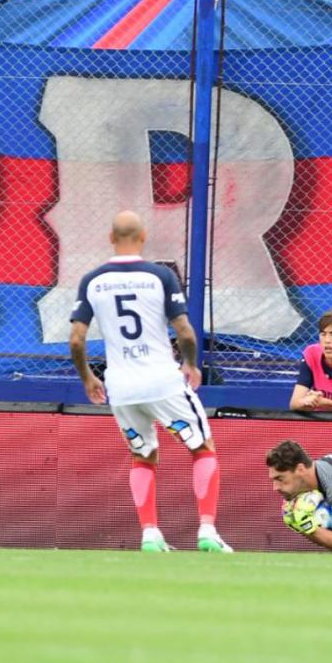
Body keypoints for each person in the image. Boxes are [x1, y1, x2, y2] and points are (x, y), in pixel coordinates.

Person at [69, 210, 232, 553]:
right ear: (143, 237)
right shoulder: (160, 276)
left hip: (122, 388)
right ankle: (206, 530)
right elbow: (184, 329)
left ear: (110, 239)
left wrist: (88, 377)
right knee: (202, 448)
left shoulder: (93, 281)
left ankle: (150, 534)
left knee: (142, 457)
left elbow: (76, 339)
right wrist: (190, 363)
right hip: (162, 381)